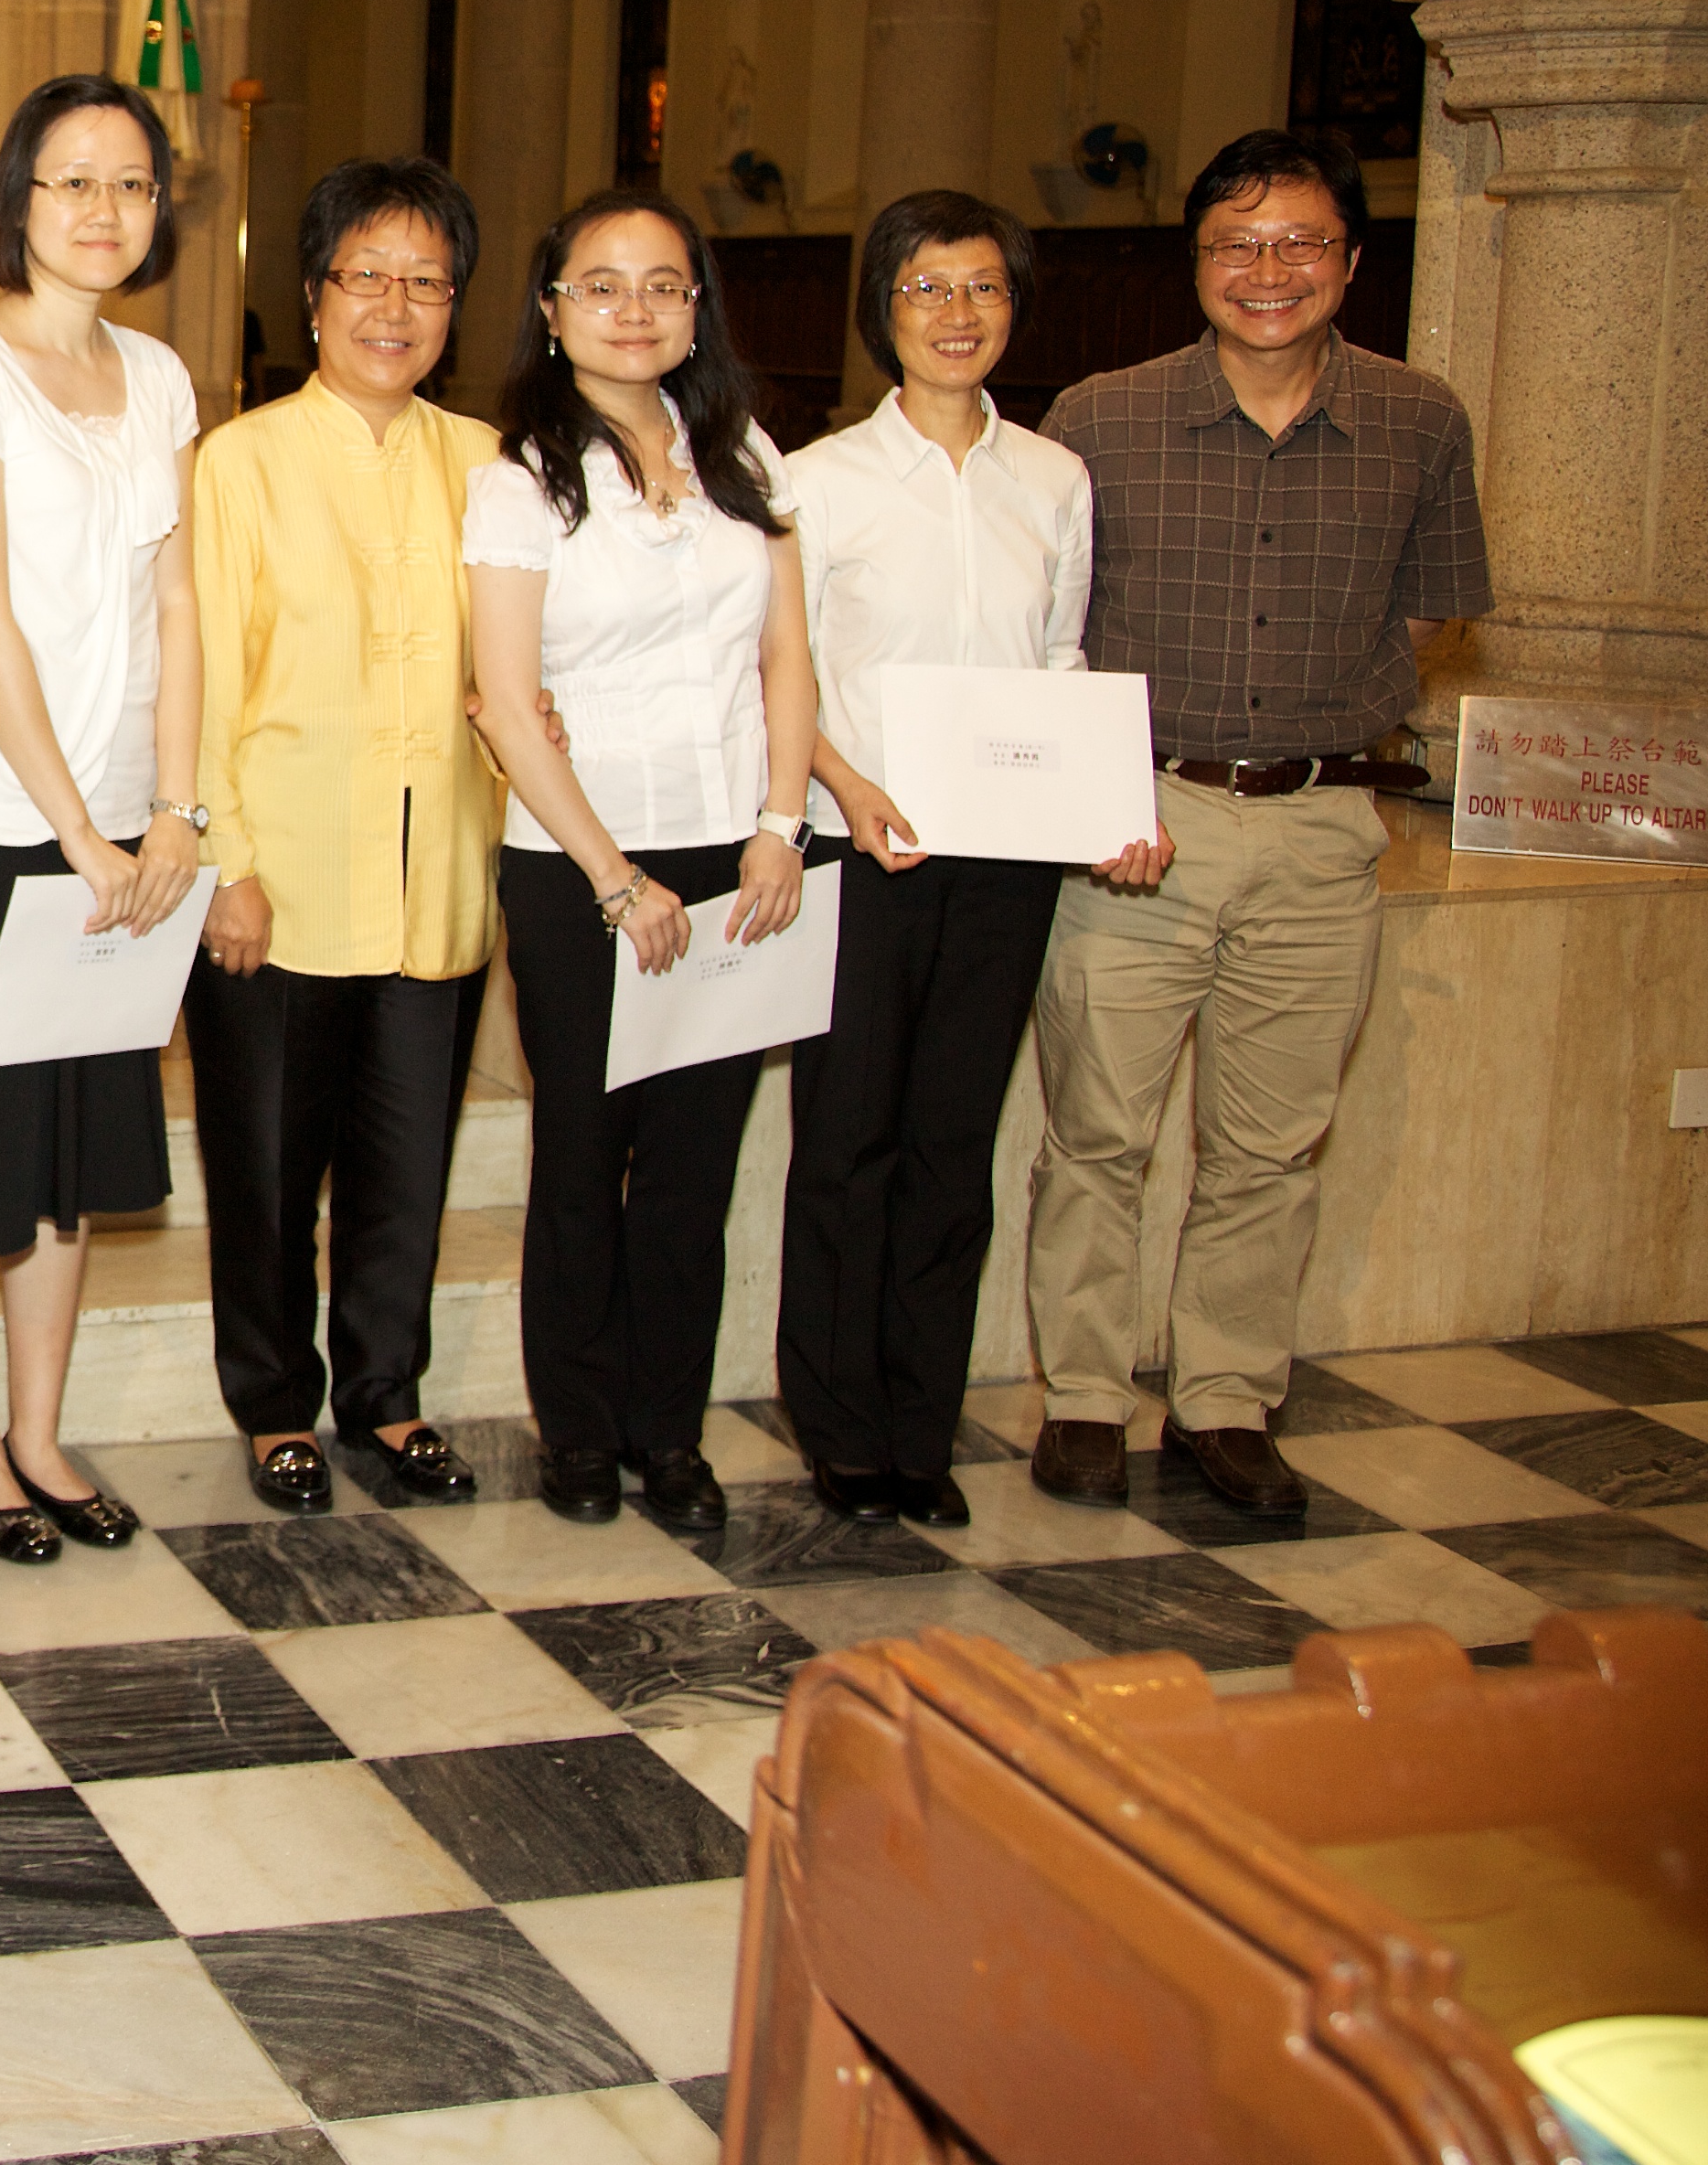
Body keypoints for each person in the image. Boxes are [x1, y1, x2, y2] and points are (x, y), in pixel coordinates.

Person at [1024, 128, 1488, 1517]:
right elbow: (1046, 622)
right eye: (1236, 243)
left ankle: (1225, 1401)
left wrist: (1328, 712)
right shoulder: (1100, 418)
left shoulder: (1420, 420)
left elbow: (1435, 608)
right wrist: (1095, 786)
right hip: (1139, 820)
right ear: (1196, 263)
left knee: (1270, 1145)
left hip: (1320, 824)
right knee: (1097, 1131)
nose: (1267, 270)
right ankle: (1085, 1396)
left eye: (1299, 242)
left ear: (1350, 259)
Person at [0, 74, 203, 1563]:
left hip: (131, 820)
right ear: (19, 198)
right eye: (72, 180)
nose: (102, 209)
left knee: (69, 1152)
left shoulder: (163, 376)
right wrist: (74, 826)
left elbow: (179, 600)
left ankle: (41, 1429)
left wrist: (176, 807)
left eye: (129, 182)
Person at [463, 188, 817, 1535]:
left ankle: (670, 1430)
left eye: (663, 284)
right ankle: (579, 1429)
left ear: (696, 309)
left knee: (693, 1166)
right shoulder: (521, 482)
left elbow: (787, 659)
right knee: (582, 1154)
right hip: (577, 864)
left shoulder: (749, 456)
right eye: (600, 285)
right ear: (552, 313)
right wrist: (616, 879)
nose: (634, 309)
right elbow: (507, 704)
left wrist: (779, 825)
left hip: (735, 853)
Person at [779, 191, 1116, 1531]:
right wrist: (848, 789)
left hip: (1005, 859)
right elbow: (781, 676)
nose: (957, 313)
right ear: (883, 311)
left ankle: (920, 1428)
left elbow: (1062, 659)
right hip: (861, 853)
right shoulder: (817, 482)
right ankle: (838, 1424)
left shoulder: (1056, 479)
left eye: (983, 287)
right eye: (927, 288)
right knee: (846, 1139)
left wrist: (1102, 796)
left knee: (952, 1144)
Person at [187, 156, 502, 1518]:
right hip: (285, 877)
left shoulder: (488, 464)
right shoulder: (242, 461)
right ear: (313, 297)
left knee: (406, 1166)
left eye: (426, 281)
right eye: (366, 275)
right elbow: (203, 677)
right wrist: (226, 863)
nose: (396, 306)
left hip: (439, 879)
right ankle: (275, 1404)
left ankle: (388, 1393)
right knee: (266, 1171)